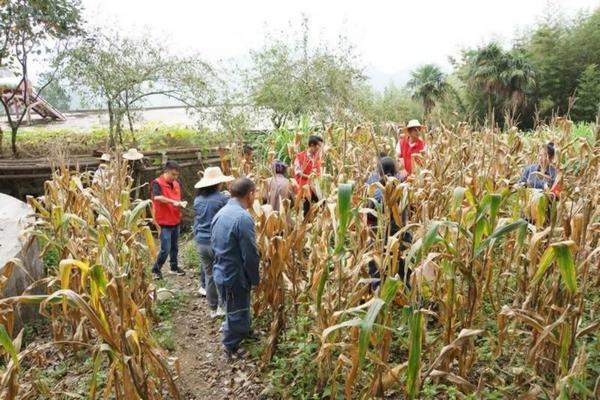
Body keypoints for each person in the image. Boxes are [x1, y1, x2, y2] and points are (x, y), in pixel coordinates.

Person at [211, 178, 260, 359]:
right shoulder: (243, 218)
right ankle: (230, 346)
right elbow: (250, 254)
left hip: (221, 270)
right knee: (236, 310)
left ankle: (244, 332)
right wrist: (254, 278)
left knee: (238, 307)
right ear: (250, 194)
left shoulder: (221, 213)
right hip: (233, 274)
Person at [365, 156, 412, 289]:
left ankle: (377, 289)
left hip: (380, 233)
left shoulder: (376, 188)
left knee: (376, 262)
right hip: (400, 232)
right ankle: (405, 289)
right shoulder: (402, 184)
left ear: (380, 171)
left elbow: (370, 210)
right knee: (401, 259)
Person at [193, 167, 234, 318]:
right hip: (217, 242)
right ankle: (222, 307)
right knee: (222, 274)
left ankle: (212, 308)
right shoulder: (223, 199)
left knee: (209, 275)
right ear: (218, 183)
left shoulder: (198, 200)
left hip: (201, 242)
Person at [150, 161, 187, 280]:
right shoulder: (157, 183)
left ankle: (174, 267)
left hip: (175, 219)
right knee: (165, 249)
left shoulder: (176, 184)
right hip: (163, 221)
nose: (175, 177)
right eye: (173, 174)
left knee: (175, 247)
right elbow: (157, 197)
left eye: (177, 175)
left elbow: (177, 199)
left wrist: (180, 204)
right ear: (166, 172)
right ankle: (156, 269)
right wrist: (173, 202)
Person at [293, 135, 324, 215]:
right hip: (305, 189)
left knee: (323, 205)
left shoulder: (318, 158)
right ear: (312, 145)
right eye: (318, 147)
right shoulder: (300, 156)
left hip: (316, 188)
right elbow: (298, 172)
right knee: (306, 211)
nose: (319, 149)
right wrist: (310, 177)